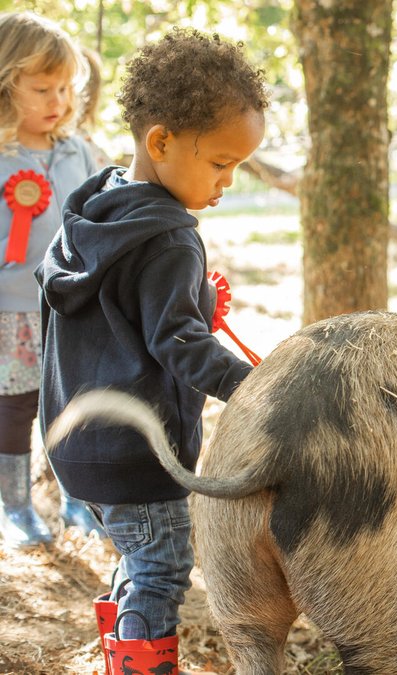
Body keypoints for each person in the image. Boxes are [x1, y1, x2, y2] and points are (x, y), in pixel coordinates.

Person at [36, 27, 267, 672]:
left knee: (138, 559)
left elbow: (125, 316)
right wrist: (258, 385)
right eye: (219, 163)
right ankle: (140, 664)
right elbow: (180, 344)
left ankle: (120, 652)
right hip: (137, 451)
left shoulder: (96, 208)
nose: (227, 182)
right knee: (162, 566)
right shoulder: (169, 239)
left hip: (77, 443)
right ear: (161, 141)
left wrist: (194, 306)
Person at [0, 11, 103, 548]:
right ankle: (14, 507)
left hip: (69, 308)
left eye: (64, 87)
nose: (57, 100)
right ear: (5, 82)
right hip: (10, 310)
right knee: (15, 406)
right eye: (41, 88)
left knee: (72, 403)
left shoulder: (77, 151)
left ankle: (77, 502)